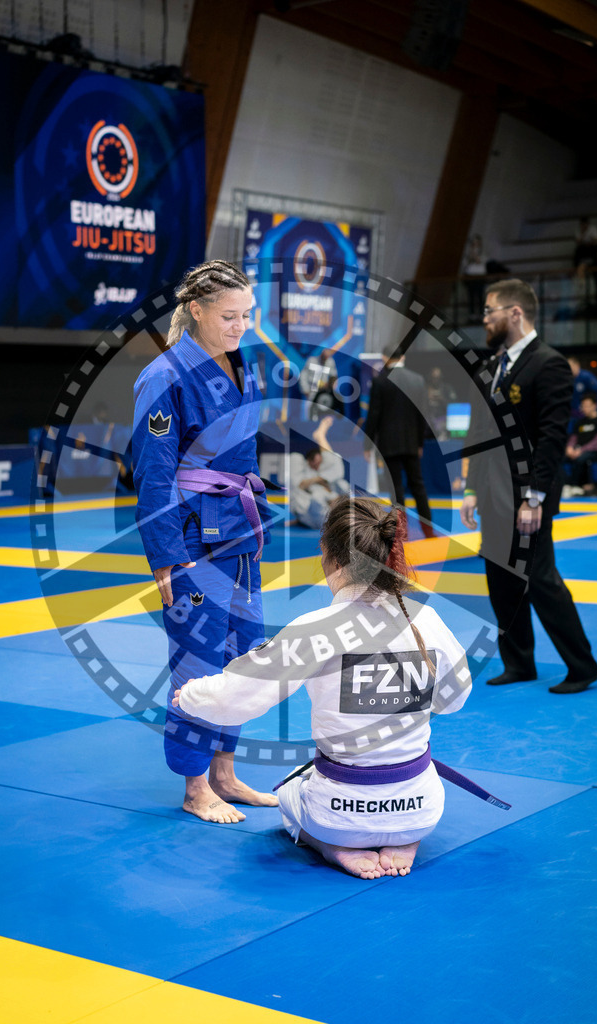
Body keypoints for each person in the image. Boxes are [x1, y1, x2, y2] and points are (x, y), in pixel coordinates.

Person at [173, 496, 472, 879]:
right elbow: (453, 700)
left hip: (339, 814)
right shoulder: (426, 618)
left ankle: (329, 844)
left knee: (290, 789)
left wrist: (194, 696)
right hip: (421, 809)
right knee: (400, 780)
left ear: (328, 555)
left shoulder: (316, 627)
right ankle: (402, 835)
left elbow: (240, 697)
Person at [133, 259, 277, 823]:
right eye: (229, 316)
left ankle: (225, 773)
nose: (240, 326)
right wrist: (166, 558)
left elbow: (242, 458)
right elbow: (153, 476)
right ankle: (195, 788)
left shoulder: (246, 367)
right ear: (196, 310)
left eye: (247, 315)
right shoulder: (163, 377)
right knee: (198, 661)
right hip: (193, 538)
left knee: (243, 656)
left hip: (240, 534)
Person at [460, 279, 597, 694]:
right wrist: (470, 487)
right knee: (501, 580)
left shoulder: (548, 363)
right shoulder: (493, 365)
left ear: (515, 313)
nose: (484, 319)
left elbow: (553, 436)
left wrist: (534, 496)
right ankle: (518, 662)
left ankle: (583, 664)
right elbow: (481, 431)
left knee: (539, 578)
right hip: (491, 489)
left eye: (490, 311)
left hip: (526, 493)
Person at [364, 343, 434, 538]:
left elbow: (373, 416)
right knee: (418, 486)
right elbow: (423, 416)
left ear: (385, 357)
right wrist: (419, 443)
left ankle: (402, 534)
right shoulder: (418, 380)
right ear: (402, 357)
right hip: (412, 442)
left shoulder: (380, 381)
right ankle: (428, 531)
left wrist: (367, 445)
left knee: (396, 490)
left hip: (388, 444)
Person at [289, 414, 350, 529]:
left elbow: (335, 495)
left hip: (324, 511)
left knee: (336, 465)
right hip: (314, 513)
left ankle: (320, 436)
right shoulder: (302, 468)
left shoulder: (325, 471)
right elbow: (300, 486)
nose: (319, 466)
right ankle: (320, 436)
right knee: (318, 495)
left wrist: (319, 480)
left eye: (320, 463)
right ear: (309, 462)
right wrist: (320, 481)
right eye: (315, 464)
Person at [563, 393, 597, 496]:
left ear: (595, 405)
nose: (585, 408)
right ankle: (565, 485)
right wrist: (569, 448)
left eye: (588, 405)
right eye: (583, 406)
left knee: (581, 458)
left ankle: (575, 485)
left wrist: (581, 450)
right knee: (559, 457)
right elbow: (573, 438)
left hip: (595, 451)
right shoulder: (580, 422)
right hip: (577, 450)